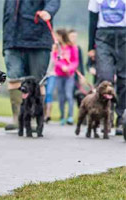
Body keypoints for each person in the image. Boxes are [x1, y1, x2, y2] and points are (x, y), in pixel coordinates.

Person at [3, 0, 60, 130]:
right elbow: (7, 14)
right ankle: (18, 118)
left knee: (37, 81)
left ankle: (35, 118)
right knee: (14, 78)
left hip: (38, 40)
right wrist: (5, 43)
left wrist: (48, 11)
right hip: (12, 40)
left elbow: (54, 2)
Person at [88, 0, 126, 135]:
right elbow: (92, 21)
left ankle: (121, 118)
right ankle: (106, 117)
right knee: (105, 78)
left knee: (124, 79)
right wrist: (90, 47)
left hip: (124, 36)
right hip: (103, 37)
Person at [53, 29, 79, 125]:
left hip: (69, 76)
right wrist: (62, 66)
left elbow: (75, 61)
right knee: (61, 96)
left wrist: (69, 67)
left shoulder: (72, 48)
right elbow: (56, 59)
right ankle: (62, 116)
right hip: (59, 75)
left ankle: (70, 116)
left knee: (69, 95)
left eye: (57, 35)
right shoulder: (57, 48)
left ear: (62, 36)